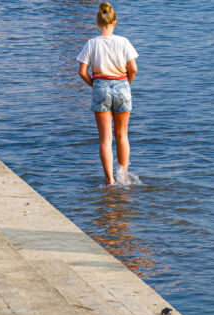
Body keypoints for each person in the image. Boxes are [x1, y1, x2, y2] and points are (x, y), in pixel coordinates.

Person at [77, 2, 138, 185]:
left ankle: (110, 180)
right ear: (115, 22)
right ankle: (123, 175)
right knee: (122, 134)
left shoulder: (91, 43)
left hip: (100, 85)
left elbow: (82, 71)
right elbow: (133, 68)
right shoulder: (123, 41)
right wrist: (127, 83)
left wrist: (94, 85)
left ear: (97, 23)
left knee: (105, 137)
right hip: (122, 84)